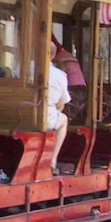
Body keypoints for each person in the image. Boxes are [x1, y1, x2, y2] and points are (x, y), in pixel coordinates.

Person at [46, 40, 71, 176]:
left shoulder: (22, 70)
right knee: (63, 119)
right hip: (46, 116)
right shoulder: (59, 75)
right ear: (53, 55)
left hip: (20, 113)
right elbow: (62, 102)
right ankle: (52, 160)